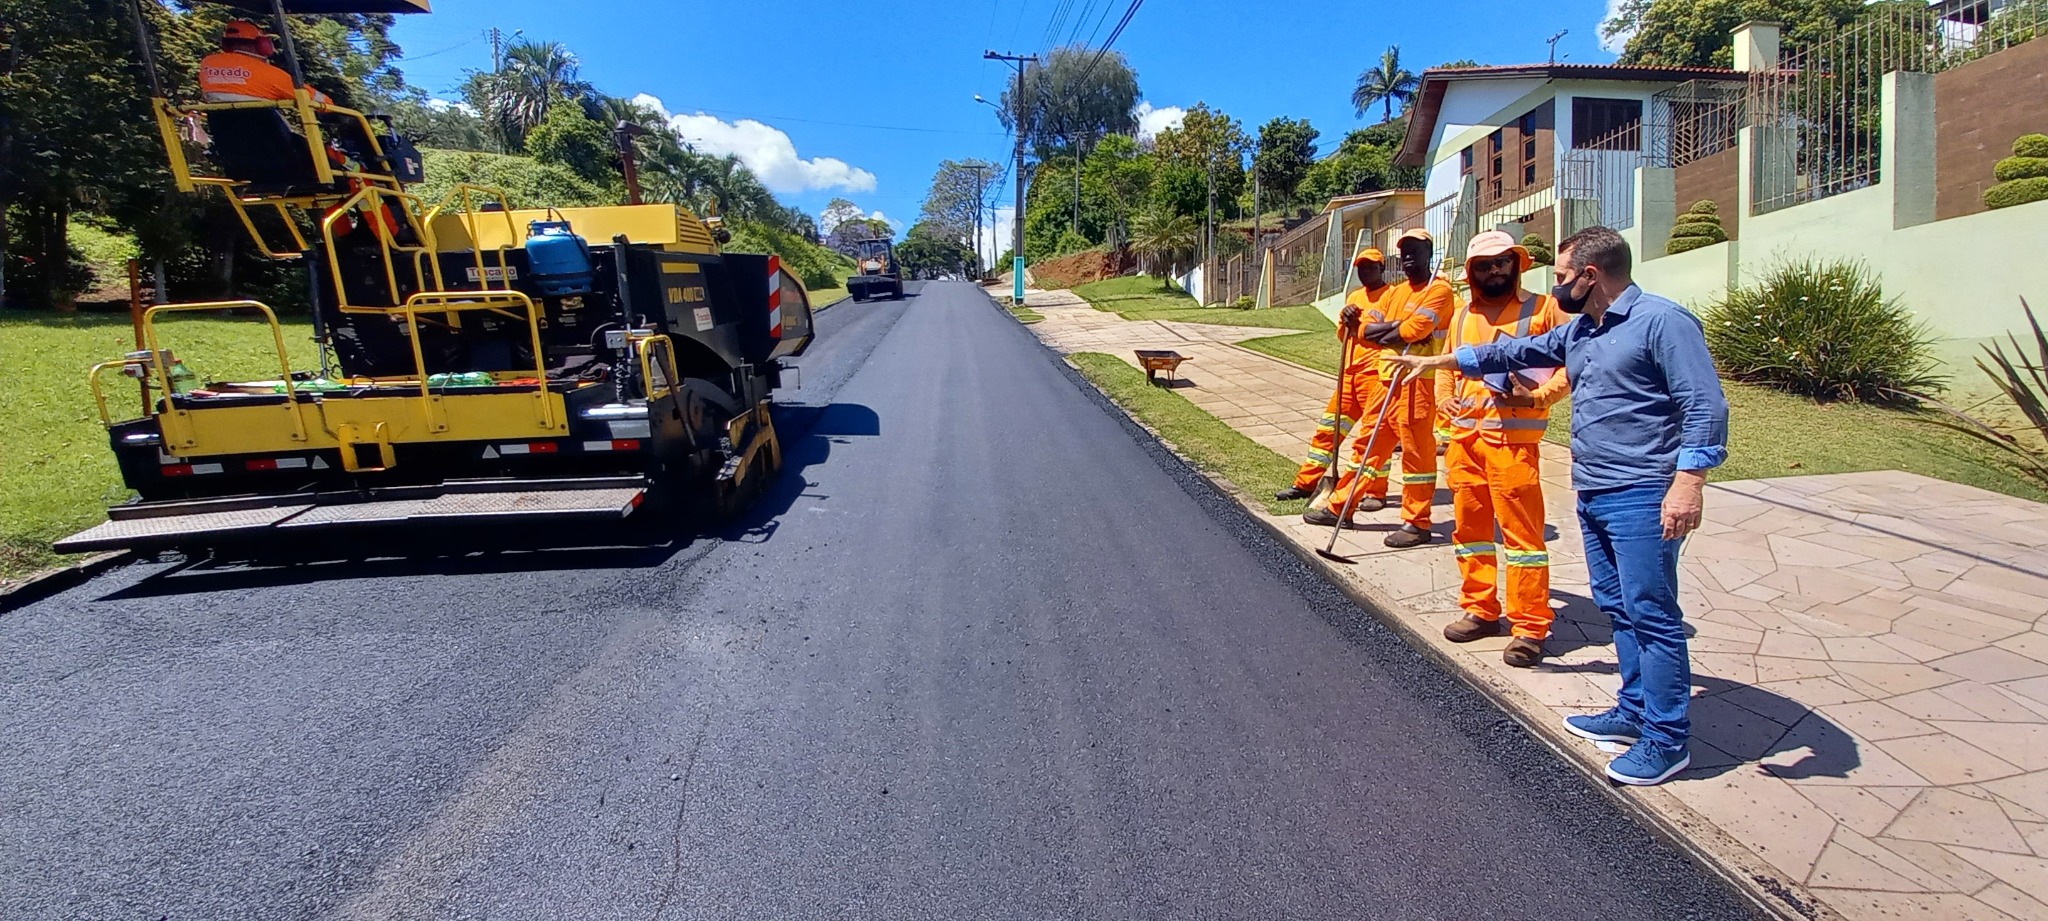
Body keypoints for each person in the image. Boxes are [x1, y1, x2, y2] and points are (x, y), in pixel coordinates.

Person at [1384, 225, 1729, 786]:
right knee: (1618, 608)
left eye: (1565, 276)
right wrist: (1437, 365)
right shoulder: (1586, 331)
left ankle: (1667, 741)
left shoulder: (1661, 322)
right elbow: (1515, 351)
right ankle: (1632, 710)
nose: (1558, 285)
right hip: (1593, 487)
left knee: (1653, 615)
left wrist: (1689, 482)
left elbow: (1705, 404)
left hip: (1644, 492)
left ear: (1590, 276)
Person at [1436, 231, 1570, 669]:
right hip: (1466, 443)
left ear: (1516, 263)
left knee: (1523, 539)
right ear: (1472, 272)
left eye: (1501, 262)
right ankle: (1480, 608)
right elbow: (1447, 365)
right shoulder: (1461, 315)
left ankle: (1530, 626)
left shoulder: (1542, 309)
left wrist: (1539, 397)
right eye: (1484, 265)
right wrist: (1443, 399)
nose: (1494, 270)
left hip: (1513, 444)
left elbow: (1572, 364)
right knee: (1470, 532)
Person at [1311, 229, 1456, 548]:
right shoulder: (1398, 292)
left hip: (1417, 382)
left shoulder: (1440, 291)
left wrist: (1388, 331)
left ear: (1429, 252)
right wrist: (1379, 329)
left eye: (1414, 251)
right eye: (1403, 251)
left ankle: (1417, 523)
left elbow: (1414, 329)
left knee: (1416, 455)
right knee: (1367, 447)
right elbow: (1375, 332)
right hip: (1387, 378)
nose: (1407, 257)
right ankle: (1340, 507)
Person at [1275, 248, 1398, 502]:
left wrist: (1363, 327)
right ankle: (1306, 483)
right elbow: (1343, 335)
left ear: (1382, 268)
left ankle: (1375, 491)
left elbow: (1395, 332)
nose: (1366, 272)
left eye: (1371, 267)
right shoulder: (1354, 296)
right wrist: (1345, 319)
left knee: (1373, 435)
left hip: (1375, 375)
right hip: (1349, 375)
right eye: (1361, 268)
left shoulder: (1392, 296)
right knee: (1328, 430)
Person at [199, 21, 332, 105]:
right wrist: (331, 105)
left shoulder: (208, 63)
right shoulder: (267, 73)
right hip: (268, 139)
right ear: (263, 45)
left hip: (228, 140)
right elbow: (314, 99)